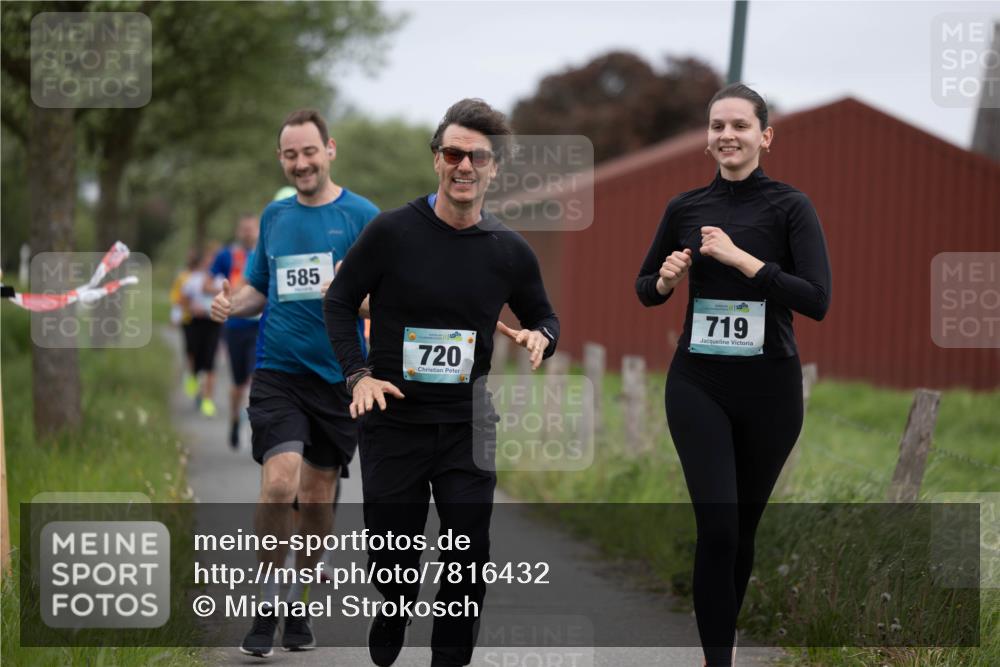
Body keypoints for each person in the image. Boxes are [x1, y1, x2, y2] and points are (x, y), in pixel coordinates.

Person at [324, 98, 560, 667]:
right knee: (394, 560)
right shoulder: (392, 232)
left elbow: (545, 316)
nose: (465, 166)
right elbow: (337, 302)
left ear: (494, 167)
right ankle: (396, 602)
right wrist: (358, 375)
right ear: (436, 159)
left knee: (469, 556)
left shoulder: (508, 250)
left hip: (466, 425)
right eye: (454, 153)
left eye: (478, 157)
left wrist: (540, 338)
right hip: (394, 422)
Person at [635, 83, 832, 667]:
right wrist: (668, 280)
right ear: (708, 138)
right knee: (718, 528)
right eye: (718, 125)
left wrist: (743, 260)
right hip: (699, 383)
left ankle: (722, 640)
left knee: (742, 532)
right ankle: (716, 658)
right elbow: (646, 289)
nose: (728, 135)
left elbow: (817, 299)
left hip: (771, 388)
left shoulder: (791, 208)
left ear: (764, 136)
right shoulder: (685, 208)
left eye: (740, 126)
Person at [210, 108, 378, 657]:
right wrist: (229, 305)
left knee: (316, 496)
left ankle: (301, 600)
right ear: (280, 159)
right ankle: (266, 599)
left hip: (338, 376)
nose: (301, 163)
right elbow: (261, 288)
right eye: (290, 154)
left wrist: (351, 293)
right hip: (280, 370)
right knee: (280, 484)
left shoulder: (363, 218)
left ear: (330, 150)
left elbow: (391, 298)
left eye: (309, 151)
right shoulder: (275, 218)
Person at [211, 214, 260, 449]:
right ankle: (233, 420)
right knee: (237, 384)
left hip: (260, 326)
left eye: (252, 228)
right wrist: (224, 292)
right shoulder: (227, 254)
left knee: (256, 377)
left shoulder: (265, 252)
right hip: (235, 326)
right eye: (245, 229)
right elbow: (207, 282)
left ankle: (257, 426)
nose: (248, 233)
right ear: (238, 231)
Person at [181, 245, 224, 416]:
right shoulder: (193, 278)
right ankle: (192, 375)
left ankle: (207, 400)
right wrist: (192, 307)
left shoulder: (221, 279)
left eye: (213, 261)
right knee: (193, 354)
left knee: (210, 362)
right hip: (195, 322)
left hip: (213, 323)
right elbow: (183, 299)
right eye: (208, 260)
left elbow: (227, 295)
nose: (210, 263)